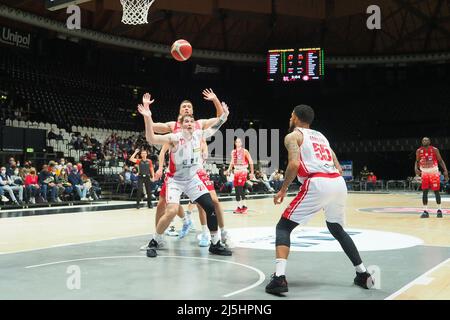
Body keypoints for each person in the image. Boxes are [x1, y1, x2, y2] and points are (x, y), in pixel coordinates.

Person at [265, 104, 373, 295]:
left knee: (283, 227)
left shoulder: (293, 136)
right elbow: (337, 165)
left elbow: (294, 163)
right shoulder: (321, 136)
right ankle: (363, 274)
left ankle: (279, 278)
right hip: (338, 183)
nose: (290, 119)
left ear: (296, 118)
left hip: (318, 182)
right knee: (337, 229)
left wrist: (282, 190)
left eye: (291, 116)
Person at [137, 94, 231, 258]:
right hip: (176, 180)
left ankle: (215, 243)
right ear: (180, 125)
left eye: (191, 121)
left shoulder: (199, 134)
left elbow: (217, 125)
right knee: (172, 210)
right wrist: (147, 117)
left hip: (192, 179)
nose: (189, 123)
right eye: (185, 121)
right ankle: (156, 239)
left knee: (210, 206)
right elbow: (151, 137)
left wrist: (224, 115)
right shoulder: (174, 137)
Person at [415, 137, 448, 218]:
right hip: (424, 173)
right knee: (424, 192)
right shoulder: (419, 150)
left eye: (426, 140)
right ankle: (425, 211)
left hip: (434, 172)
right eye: (423, 140)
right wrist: (415, 168)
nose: (424, 141)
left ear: (429, 141)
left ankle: (439, 210)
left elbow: (440, 160)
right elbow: (417, 161)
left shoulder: (435, 149)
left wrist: (445, 171)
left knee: (436, 191)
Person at [226, 138, 255, 214]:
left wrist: (252, 172)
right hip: (236, 171)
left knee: (240, 188)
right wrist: (228, 170)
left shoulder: (245, 151)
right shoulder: (233, 152)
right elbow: (232, 162)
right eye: (236, 142)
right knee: (236, 189)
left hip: (243, 170)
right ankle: (239, 207)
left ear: (241, 143)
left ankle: (244, 206)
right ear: (235, 143)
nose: (238, 143)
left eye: (239, 142)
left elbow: (251, 161)